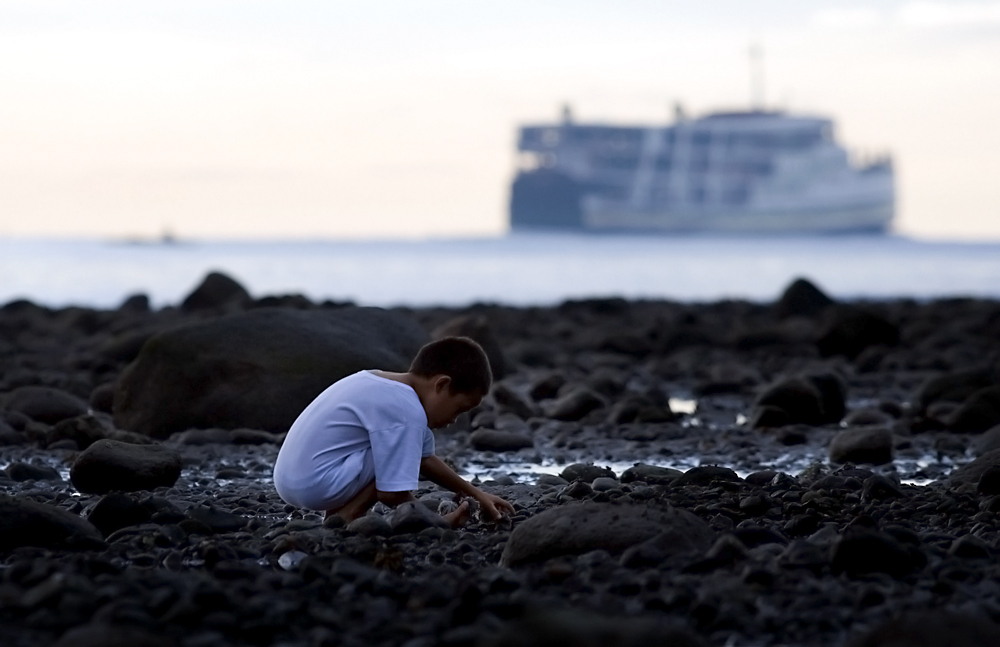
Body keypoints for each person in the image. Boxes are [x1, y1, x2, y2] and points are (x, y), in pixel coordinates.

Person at [273, 336, 514, 526]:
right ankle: (348, 514)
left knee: (393, 446)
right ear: (441, 385)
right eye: (459, 409)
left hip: (290, 480)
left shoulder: (379, 381)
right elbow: (392, 494)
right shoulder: (407, 410)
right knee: (392, 453)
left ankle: (340, 513)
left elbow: (424, 458)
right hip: (317, 485)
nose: (453, 420)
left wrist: (476, 494)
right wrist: (435, 522)